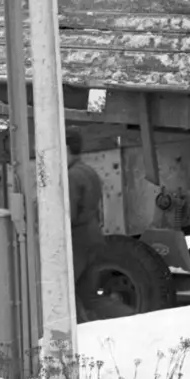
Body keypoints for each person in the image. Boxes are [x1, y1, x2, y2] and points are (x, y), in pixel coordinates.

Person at [66, 129, 107, 321]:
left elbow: (69, 214)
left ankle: (74, 336)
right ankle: (130, 318)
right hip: (93, 238)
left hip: (78, 241)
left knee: (64, 294)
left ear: (65, 148)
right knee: (89, 296)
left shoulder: (72, 176)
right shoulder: (89, 171)